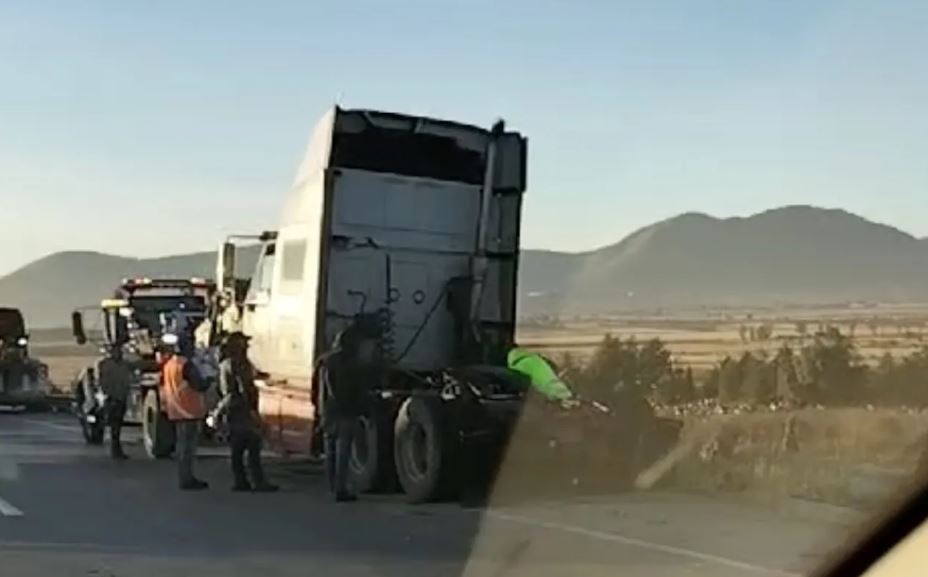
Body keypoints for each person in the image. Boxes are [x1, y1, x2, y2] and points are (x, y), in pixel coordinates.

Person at [318, 322, 378, 502]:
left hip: (329, 410)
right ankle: (340, 488)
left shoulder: (325, 362)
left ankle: (331, 485)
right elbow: (356, 389)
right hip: (345, 410)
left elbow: (321, 390)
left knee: (330, 450)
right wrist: (364, 409)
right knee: (343, 451)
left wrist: (321, 410)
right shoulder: (352, 363)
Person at [212, 332, 278, 492]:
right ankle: (258, 482)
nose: (247, 346)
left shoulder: (225, 363)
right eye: (244, 343)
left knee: (237, 449)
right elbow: (244, 387)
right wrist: (253, 410)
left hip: (232, 409)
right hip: (243, 409)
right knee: (253, 446)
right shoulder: (239, 363)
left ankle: (240, 481)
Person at [160, 333, 211, 490]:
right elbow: (198, 384)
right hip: (189, 411)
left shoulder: (169, 364)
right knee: (187, 449)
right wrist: (209, 380)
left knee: (182, 447)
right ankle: (187, 479)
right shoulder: (186, 365)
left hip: (176, 410)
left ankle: (185, 477)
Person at [96, 346, 133, 460]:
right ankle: (115, 450)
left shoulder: (124, 364)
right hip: (112, 398)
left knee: (118, 425)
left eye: (119, 352)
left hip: (121, 397)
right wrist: (107, 395)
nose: (118, 354)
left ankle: (116, 449)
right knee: (114, 425)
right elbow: (102, 382)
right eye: (116, 352)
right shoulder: (106, 365)